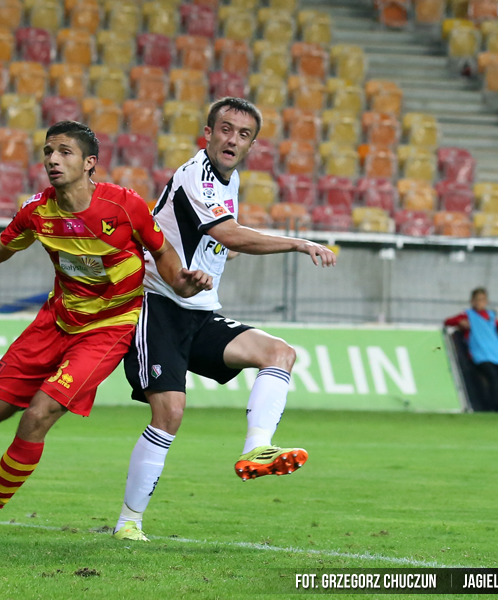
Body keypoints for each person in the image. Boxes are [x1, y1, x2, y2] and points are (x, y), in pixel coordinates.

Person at [0, 121, 212, 537]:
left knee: (38, 415)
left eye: (64, 152)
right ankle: (48, 398)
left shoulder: (125, 205)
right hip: (55, 321)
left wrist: (181, 281)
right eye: (48, 151)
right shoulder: (37, 211)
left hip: (108, 328)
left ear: (90, 163)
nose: (53, 160)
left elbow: (161, 252)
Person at [112, 98, 337, 542]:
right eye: (226, 129)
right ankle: (128, 523)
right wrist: (298, 243)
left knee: (280, 353)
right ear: (208, 133)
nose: (233, 139)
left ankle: (257, 448)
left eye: (243, 134)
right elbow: (228, 233)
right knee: (170, 412)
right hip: (157, 306)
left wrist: (221, 249)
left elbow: (217, 238)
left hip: (200, 312)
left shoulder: (227, 181)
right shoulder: (196, 174)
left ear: (252, 144)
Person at [444, 287, 498, 412]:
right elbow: (448, 321)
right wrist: (461, 323)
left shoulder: (490, 316)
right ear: (472, 301)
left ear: (486, 301)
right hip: (480, 354)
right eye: (477, 300)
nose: (479, 302)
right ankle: (495, 407)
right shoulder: (467, 315)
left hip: (497, 353)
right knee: (493, 377)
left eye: (482, 300)